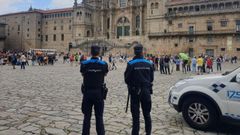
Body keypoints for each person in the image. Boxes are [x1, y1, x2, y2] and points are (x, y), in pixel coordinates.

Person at [124, 44, 154, 135]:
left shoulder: (131, 64)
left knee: (135, 117)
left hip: (135, 92)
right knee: (147, 115)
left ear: (134, 52)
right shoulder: (149, 63)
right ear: (142, 52)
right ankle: (148, 133)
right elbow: (151, 78)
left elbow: (127, 79)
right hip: (146, 91)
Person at [80, 45, 109, 135]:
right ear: (99, 52)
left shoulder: (84, 64)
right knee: (99, 117)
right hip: (99, 93)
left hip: (87, 92)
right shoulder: (104, 64)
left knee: (87, 117)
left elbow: (83, 74)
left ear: (91, 52)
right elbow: (105, 74)